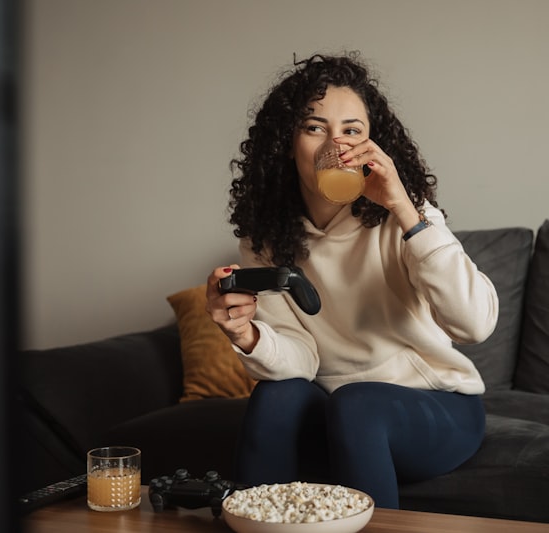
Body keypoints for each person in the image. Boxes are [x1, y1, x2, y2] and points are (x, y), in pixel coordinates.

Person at [206, 51, 499, 509]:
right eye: (315, 127)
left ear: (370, 144)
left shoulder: (405, 214)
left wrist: (405, 209)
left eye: (351, 131)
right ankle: (256, 521)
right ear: (289, 141)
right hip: (338, 413)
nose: (336, 145)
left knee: (357, 403)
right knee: (275, 397)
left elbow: (475, 324)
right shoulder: (266, 238)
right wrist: (245, 334)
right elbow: (300, 359)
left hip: (435, 408)